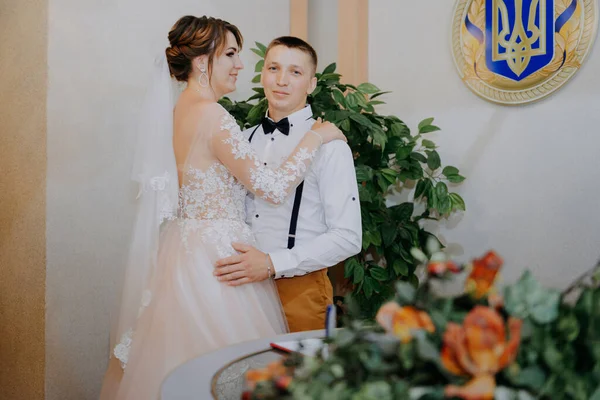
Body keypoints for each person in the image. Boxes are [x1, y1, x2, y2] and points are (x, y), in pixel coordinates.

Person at [99, 16, 345, 400]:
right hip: (217, 262)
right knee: (229, 370)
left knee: (179, 363)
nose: (240, 65)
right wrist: (314, 137)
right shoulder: (214, 116)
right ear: (202, 62)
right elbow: (271, 187)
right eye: (230, 54)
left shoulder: (179, 111)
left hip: (184, 252)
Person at [214, 36, 362, 332]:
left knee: (299, 377)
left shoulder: (330, 146)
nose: (281, 80)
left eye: (295, 72)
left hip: (300, 289)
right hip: (240, 290)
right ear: (262, 75)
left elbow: (348, 237)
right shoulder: (239, 140)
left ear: (311, 83)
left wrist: (273, 263)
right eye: (273, 68)